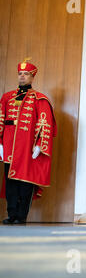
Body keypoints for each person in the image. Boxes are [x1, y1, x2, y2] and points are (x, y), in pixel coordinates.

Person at [0, 59, 57, 224]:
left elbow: (45, 123)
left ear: (32, 77)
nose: (22, 77)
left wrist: (39, 145)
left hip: (27, 147)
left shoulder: (40, 99)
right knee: (10, 181)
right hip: (9, 146)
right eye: (20, 74)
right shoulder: (7, 97)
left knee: (25, 183)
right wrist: (0, 143)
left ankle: (22, 216)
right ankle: (11, 215)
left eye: (26, 74)